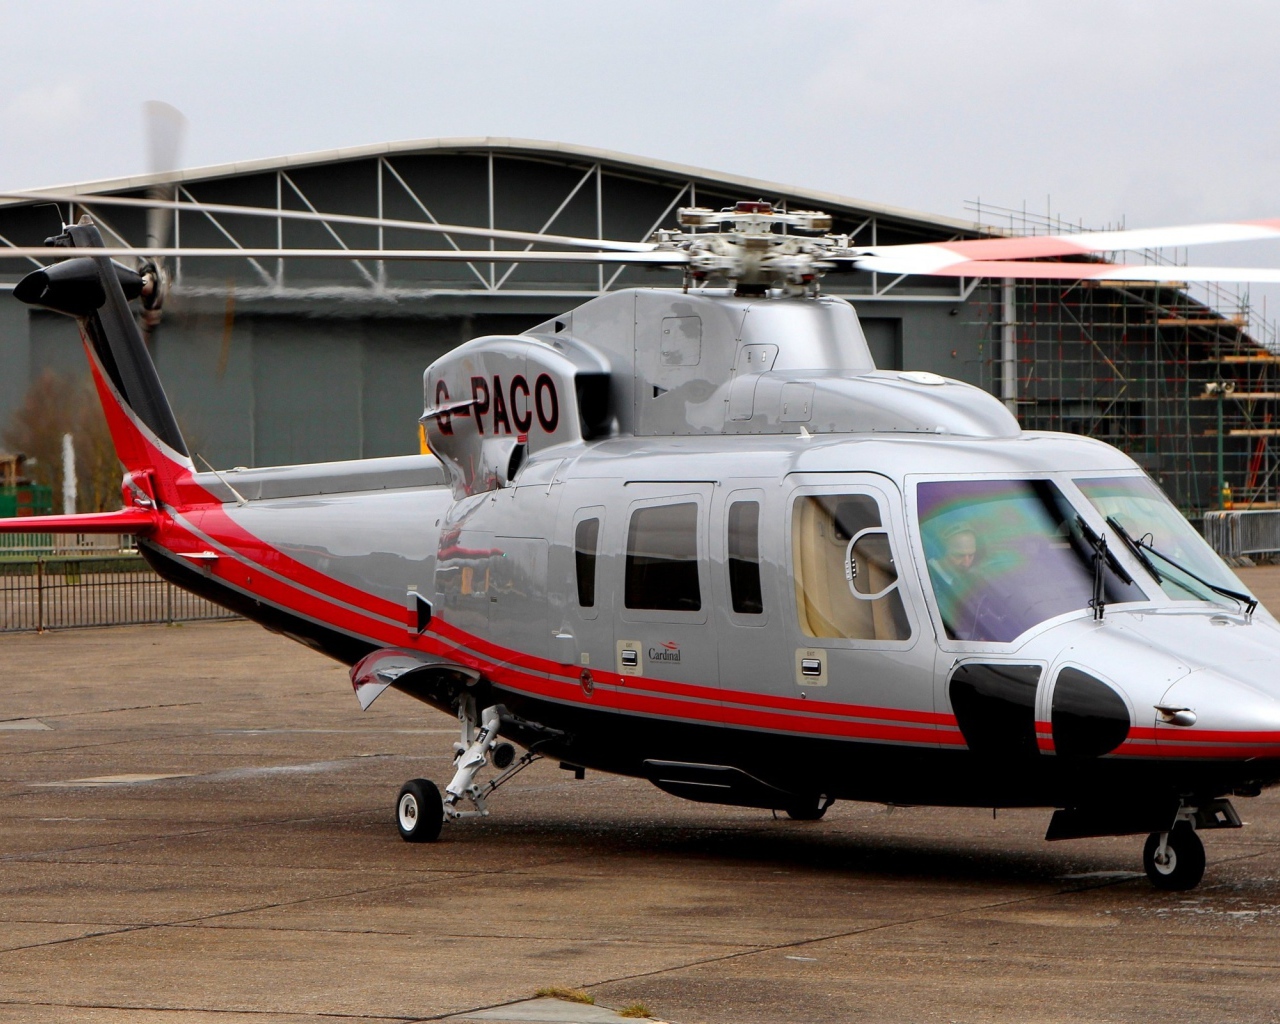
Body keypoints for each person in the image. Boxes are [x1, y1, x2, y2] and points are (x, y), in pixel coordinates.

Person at [928, 526, 980, 639]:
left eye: (971, 555)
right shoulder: (925, 578)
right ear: (941, 552)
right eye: (959, 556)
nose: (966, 563)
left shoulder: (969, 579)